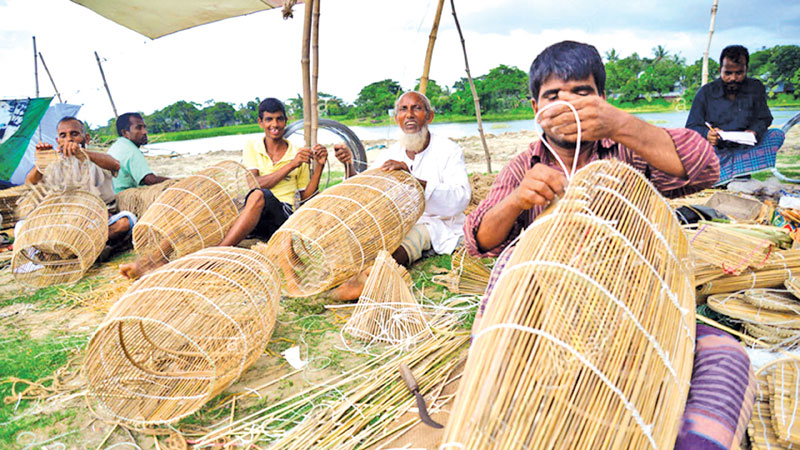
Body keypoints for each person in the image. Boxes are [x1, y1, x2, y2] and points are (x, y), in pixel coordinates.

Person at [465, 41, 750, 450]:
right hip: (550, 318)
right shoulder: (524, 166)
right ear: (535, 108)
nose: (568, 104)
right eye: (553, 96)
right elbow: (479, 241)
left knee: (726, 357)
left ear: (602, 98)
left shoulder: (631, 150)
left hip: (634, 309)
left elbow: (704, 168)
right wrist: (517, 201)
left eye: (582, 92)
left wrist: (620, 125)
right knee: (507, 350)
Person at [119, 98, 348, 279]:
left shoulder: (296, 151)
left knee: (261, 196)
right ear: (261, 122)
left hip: (281, 215)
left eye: (279, 119)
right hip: (253, 209)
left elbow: (306, 197)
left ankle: (216, 253)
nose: (274, 125)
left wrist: (317, 167)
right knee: (206, 212)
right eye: (269, 120)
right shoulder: (254, 147)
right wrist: (292, 164)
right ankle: (150, 262)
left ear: (285, 121)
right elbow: (254, 183)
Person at [331, 91, 471, 300]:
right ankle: (349, 273)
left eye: (417, 108)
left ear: (429, 116)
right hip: (397, 223)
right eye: (403, 110)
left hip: (437, 222)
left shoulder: (449, 150)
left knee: (415, 237)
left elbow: (460, 198)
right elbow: (365, 189)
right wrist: (349, 165)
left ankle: (373, 276)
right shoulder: (391, 153)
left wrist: (412, 179)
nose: (410, 114)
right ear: (397, 119)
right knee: (370, 235)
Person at [22, 116, 136, 258]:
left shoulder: (96, 158)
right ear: (58, 141)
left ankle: (72, 250)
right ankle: (86, 247)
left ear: (86, 138)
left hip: (98, 221)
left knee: (127, 220)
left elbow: (115, 164)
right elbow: (29, 185)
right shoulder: (54, 163)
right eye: (63, 136)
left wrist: (82, 153)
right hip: (66, 224)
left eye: (74, 134)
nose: (69, 139)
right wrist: (41, 163)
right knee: (22, 227)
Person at [686, 45, 786, 185]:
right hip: (718, 150)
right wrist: (707, 134)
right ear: (720, 69)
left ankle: (734, 172)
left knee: (776, 135)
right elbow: (691, 126)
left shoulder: (756, 88)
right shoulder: (706, 92)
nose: (733, 78)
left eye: (739, 73)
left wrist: (754, 131)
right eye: (728, 73)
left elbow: (764, 118)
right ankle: (729, 175)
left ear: (746, 69)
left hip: (746, 148)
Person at [107, 112, 170, 194]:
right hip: (122, 198)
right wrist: (175, 182)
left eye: (144, 127)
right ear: (125, 133)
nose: (145, 132)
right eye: (139, 128)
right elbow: (149, 179)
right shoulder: (130, 150)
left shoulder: (118, 145)